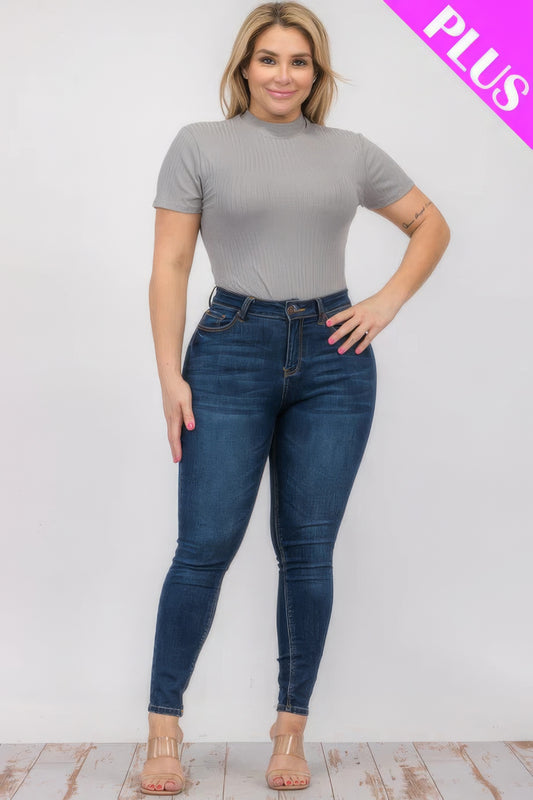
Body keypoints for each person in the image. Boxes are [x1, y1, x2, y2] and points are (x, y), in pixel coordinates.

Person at [140, 1, 450, 795]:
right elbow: (170, 264)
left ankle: (289, 730)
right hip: (229, 350)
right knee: (204, 546)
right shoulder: (199, 145)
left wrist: (384, 302)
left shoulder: (349, 152)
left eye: (299, 61)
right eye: (268, 58)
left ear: (317, 72)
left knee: (308, 551)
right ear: (244, 66)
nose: (283, 74)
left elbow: (430, 225)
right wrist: (169, 373)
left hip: (334, 360)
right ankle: (163, 730)